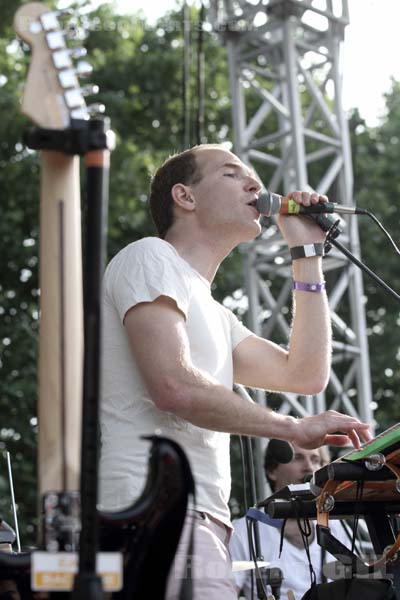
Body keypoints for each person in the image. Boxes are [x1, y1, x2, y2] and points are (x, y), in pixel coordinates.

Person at [98, 143, 371, 600]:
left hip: (201, 519)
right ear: (185, 197)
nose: (255, 185)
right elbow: (175, 386)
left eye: (254, 177)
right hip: (154, 512)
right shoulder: (149, 257)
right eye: (230, 173)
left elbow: (305, 375)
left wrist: (306, 251)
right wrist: (294, 427)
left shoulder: (216, 314)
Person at [231, 441, 352, 600]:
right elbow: (223, 592)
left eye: (315, 460)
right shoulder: (243, 531)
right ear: (272, 470)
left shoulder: (336, 525)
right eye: (298, 458)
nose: (309, 467)